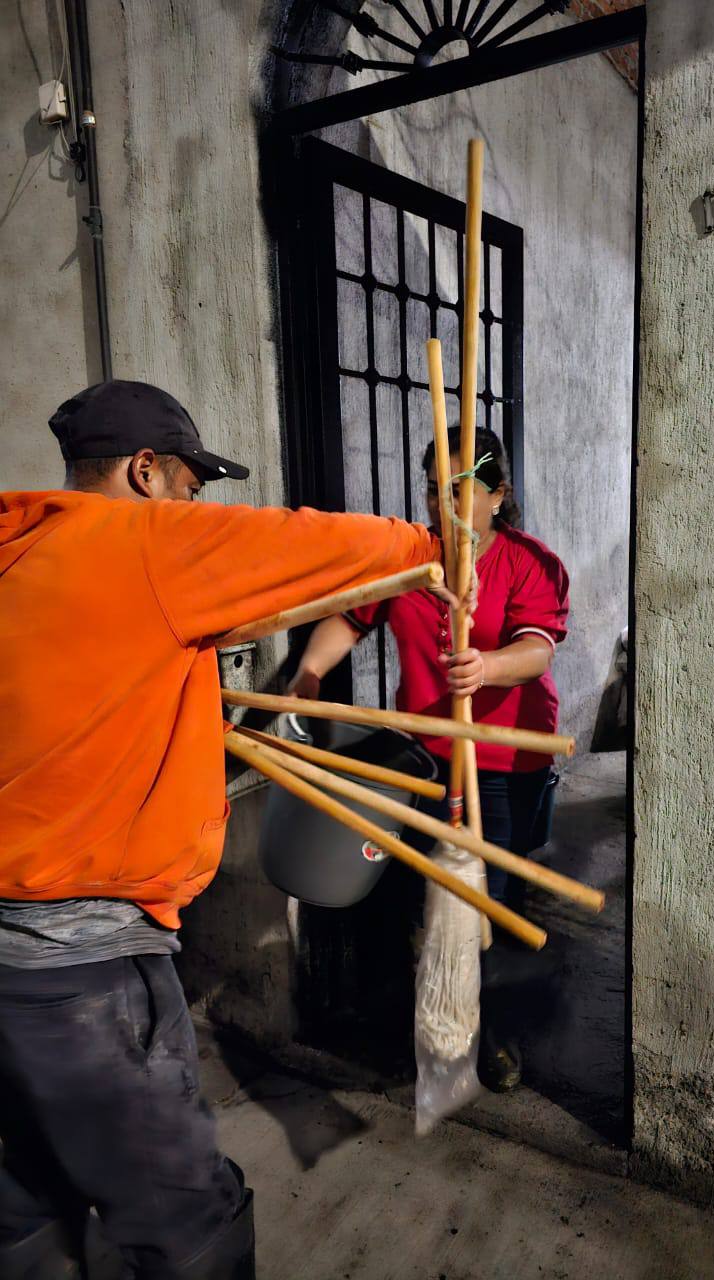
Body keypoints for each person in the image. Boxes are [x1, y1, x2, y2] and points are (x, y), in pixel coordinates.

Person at [0, 380, 460, 1280]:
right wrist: (437, 544)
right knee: (189, 1224)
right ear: (143, 472)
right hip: (83, 969)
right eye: (188, 484)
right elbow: (329, 550)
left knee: (24, 1202)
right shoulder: (137, 544)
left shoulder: (21, 555)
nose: (195, 504)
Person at [289, 426, 570, 1091]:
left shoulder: (529, 562)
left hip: (504, 758)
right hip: (423, 755)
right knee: (425, 889)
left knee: (489, 900)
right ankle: (432, 1015)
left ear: (499, 496)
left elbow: (538, 649)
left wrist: (490, 665)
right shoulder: (411, 560)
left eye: (463, 490)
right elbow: (348, 620)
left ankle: (492, 1032)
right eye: (434, 489)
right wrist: (307, 673)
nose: (446, 504)